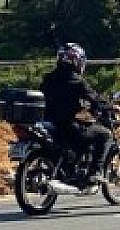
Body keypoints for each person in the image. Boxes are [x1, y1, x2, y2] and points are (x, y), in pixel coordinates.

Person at [40, 43, 111, 186]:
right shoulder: (76, 80)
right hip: (66, 125)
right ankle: (94, 174)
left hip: (47, 123)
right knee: (104, 134)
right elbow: (94, 97)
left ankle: (70, 167)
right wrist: (109, 105)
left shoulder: (48, 78)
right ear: (77, 61)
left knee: (82, 133)